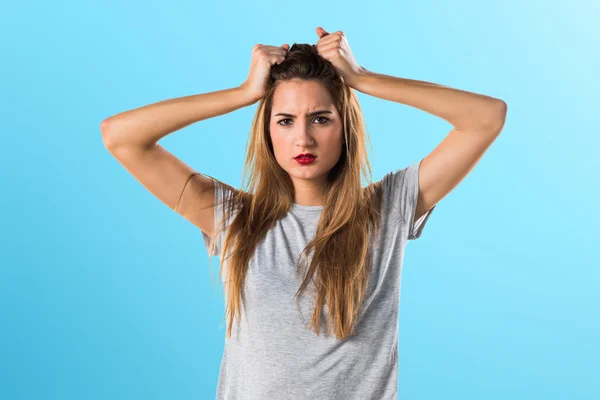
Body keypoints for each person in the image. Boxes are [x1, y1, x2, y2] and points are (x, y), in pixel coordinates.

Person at [101, 26, 506, 400]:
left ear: (344, 126)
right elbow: (122, 137)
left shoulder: (387, 209)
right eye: (285, 120)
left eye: (321, 118)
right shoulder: (236, 219)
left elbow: (486, 118)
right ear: (268, 132)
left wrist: (362, 78)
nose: (303, 137)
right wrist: (243, 94)